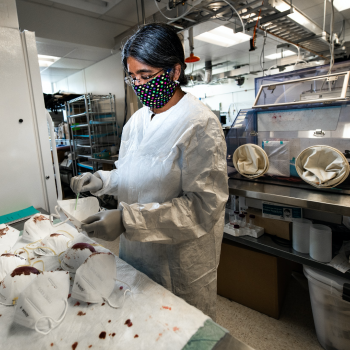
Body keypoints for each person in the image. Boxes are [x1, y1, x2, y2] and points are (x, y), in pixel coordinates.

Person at [70, 23, 228, 320]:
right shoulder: (137, 122)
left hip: (179, 260)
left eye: (146, 75)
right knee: (142, 323)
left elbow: (202, 208)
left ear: (175, 71)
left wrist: (127, 220)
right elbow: (132, 175)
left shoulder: (200, 123)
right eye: (132, 77)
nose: (139, 84)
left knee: (179, 327)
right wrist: (102, 180)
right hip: (137, 253)